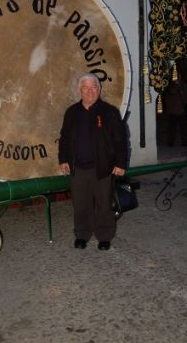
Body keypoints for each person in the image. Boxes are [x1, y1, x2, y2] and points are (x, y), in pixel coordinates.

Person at [58, 73, 128, 251]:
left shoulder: (110, 112)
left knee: (104, 204)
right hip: (78, 168)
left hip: (103, 168)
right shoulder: (71, 112)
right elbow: (64, 138)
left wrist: (120, 163)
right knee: (81, 204)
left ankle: (104, 236)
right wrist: (63, 159)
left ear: (100, 89)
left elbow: (120, 140)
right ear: (79, 90)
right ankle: (82, 234)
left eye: (94, 87)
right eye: (86, 88)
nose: (90, 91)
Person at [163, 75, 187, 147]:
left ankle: (184, 141)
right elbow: (168, 97)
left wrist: (184, 102)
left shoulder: (183, 85)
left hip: (181, 110)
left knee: (183, 127)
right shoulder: (170, 86)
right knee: (171, 128)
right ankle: (170, 142)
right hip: (172, 111)